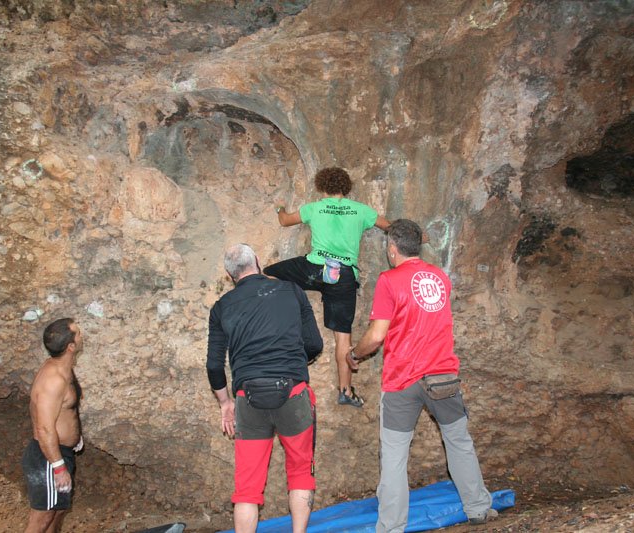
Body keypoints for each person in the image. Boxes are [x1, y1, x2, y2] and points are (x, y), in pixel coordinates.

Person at [346, 219, 498, 531]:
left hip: (401, 380)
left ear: (392, 248)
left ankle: (391, 526)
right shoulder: (440, 277)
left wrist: (354, 354)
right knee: (458, 442)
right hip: (442, 376)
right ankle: (479, 508)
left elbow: (376, 336)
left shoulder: (389, 280)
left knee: (394, 455)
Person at [207, 243, 323, 533]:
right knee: (300, 471)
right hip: (292, 392)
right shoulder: (292, 291)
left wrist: (225, 403)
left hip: (249, 398)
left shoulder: (221, 307)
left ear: (230, 275)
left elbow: (214, 366)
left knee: (247, 488)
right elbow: (314, 343)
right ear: (257, 261)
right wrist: (294, 361)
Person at [265, 166, 389, 408]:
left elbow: (285, 220)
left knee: (267, 274)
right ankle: (345, 391)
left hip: (315, 268)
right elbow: (388, 226)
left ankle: (282, 317)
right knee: (343, 336)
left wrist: (279, 207)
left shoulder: (315, 208)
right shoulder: (360, 210)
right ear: (346, 187)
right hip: (343, 275)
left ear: (322, 187)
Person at [22, 318, 86, 533]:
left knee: (57, 511)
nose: (82, 335)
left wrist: (75, 435)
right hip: (48, 458)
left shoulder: (63, 367)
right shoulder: (54, 380)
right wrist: (58, 468)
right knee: (43, 518)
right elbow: (44, 428)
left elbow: (65, 409)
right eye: (78, 333)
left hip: (61, 452)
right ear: (71, 346)